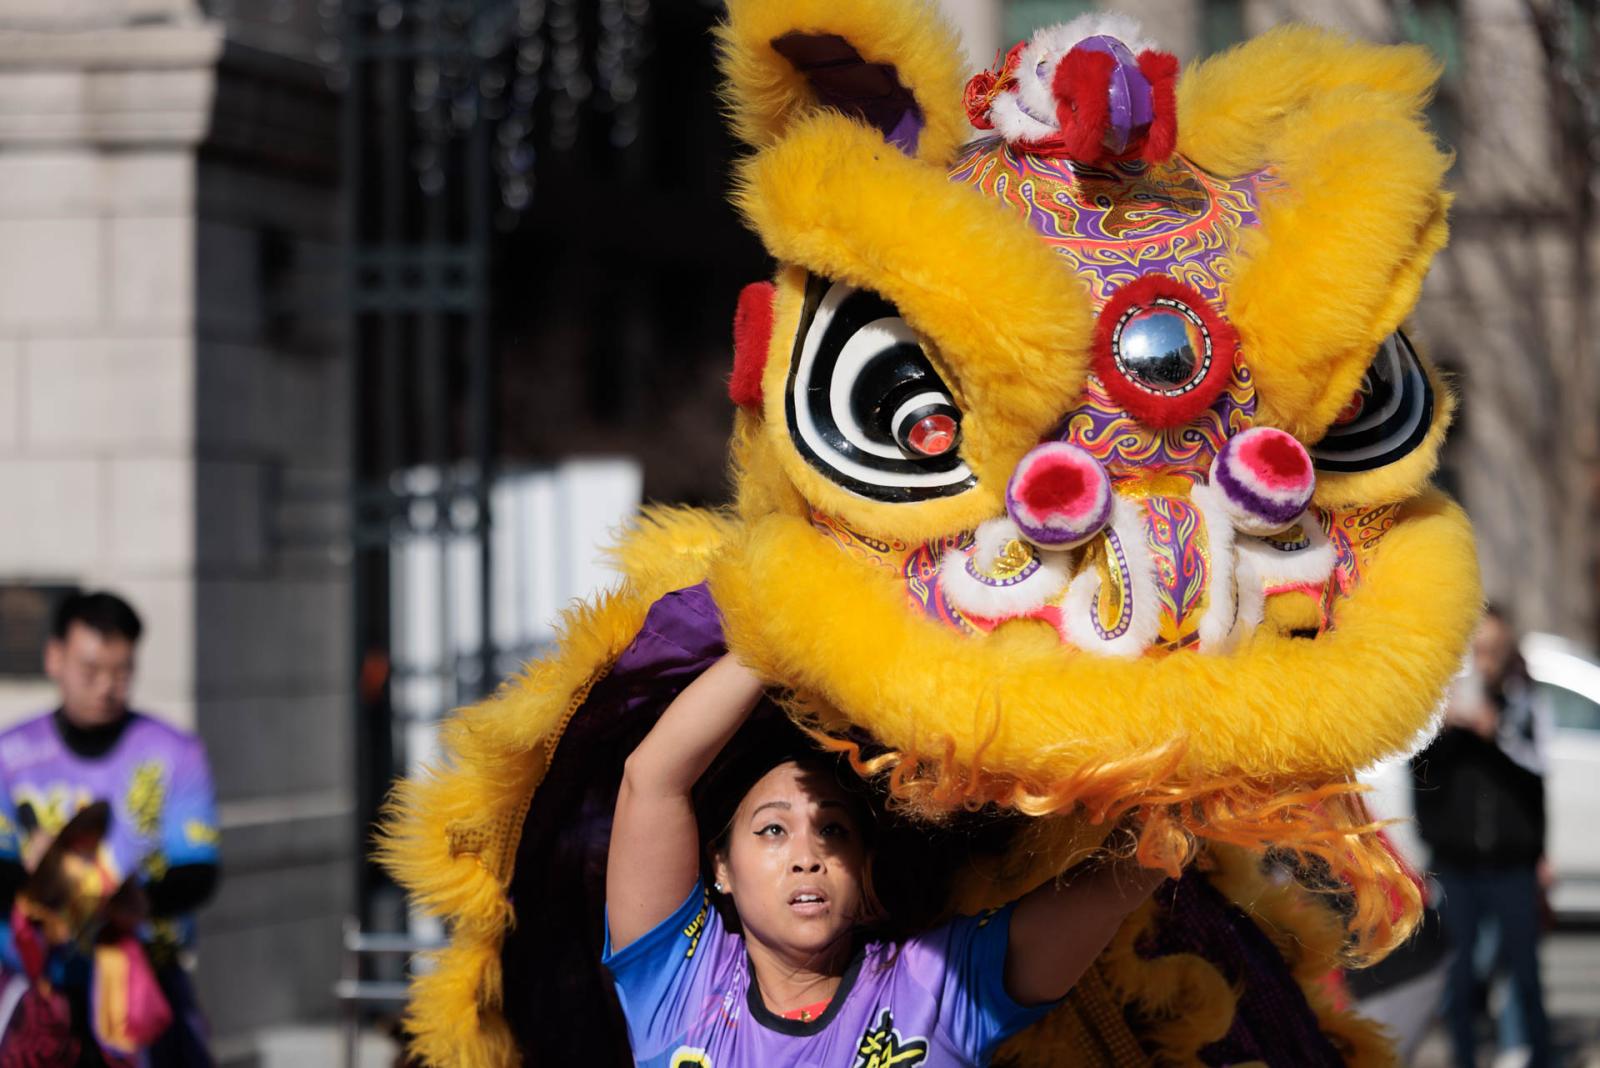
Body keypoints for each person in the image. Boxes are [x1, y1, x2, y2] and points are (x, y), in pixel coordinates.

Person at [603, 653, 1166, 1066]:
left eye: (833, 829)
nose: (808, 857)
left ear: (864, 867)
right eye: (773, 829)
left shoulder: (935, 984)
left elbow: (1123, 875)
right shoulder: (679, 988)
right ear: (720, 867)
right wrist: (783, 628)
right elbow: (651, 779)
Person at [0, 591, 220, 1066]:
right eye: (91, 670)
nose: (107, 687)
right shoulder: (9, 753)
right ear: (54, 658)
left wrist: (137, 902)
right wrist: (41, 885)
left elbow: (198, 870)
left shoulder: (173, 751)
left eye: (121, 672)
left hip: (141, 988)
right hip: (37, 991)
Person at [1413, 605, 1552, 1068]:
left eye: (1493, 651)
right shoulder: (1441, 710)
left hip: (1512, 864)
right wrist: (1448, 729)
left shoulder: (1523, 704)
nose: (1485, 660)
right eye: (1478, 651)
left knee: (1525, 972)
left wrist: (1499, 731)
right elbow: (1420, 781)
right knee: (1459, 975)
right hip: (1458, 866)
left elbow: (1538, 775)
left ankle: (1541, 1055)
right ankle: (1465, 1058)